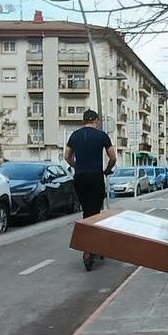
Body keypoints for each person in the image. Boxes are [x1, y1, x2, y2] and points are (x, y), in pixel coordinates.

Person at [65, 110, 117, 269]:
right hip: (95, 177)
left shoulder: (74, 136)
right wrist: (107, 170)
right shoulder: (102, 136)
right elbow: (113, 157)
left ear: (84, 121)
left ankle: (91, 248)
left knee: (87, 212)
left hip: (80, 178)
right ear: (96, 120)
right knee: (95, 214)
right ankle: (90, 250)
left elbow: (67, 156)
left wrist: (77, 166)